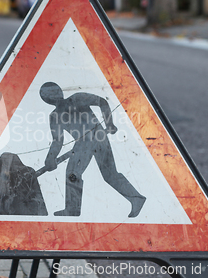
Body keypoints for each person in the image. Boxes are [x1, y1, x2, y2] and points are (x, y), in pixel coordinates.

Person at [40, 82, 146, 218]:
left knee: (72, 173)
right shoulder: (56, 115)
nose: (53, 96)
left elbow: (101, 102)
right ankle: (136, 198)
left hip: (90, 139)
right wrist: (50, 158)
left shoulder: (76, 99)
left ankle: (72, 209)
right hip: (95, 138)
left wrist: (109, 123)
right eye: (50, 94)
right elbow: (57, 141)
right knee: (109, 175)